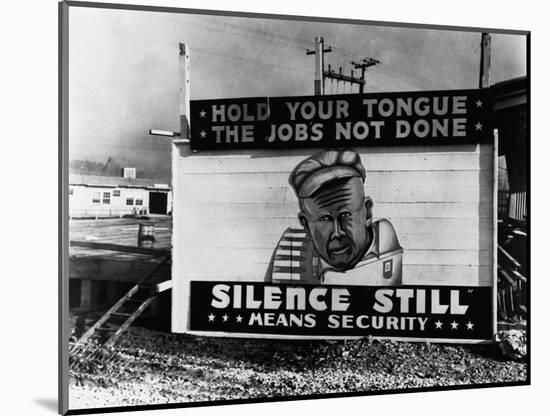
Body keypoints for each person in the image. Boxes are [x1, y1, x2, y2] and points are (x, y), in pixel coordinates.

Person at [265, 148, 403, 285]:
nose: (337, 233)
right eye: (324, 219)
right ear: (306, 225)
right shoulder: (291, 251)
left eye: (345, 215)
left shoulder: (385, 241)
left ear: (367, 213)